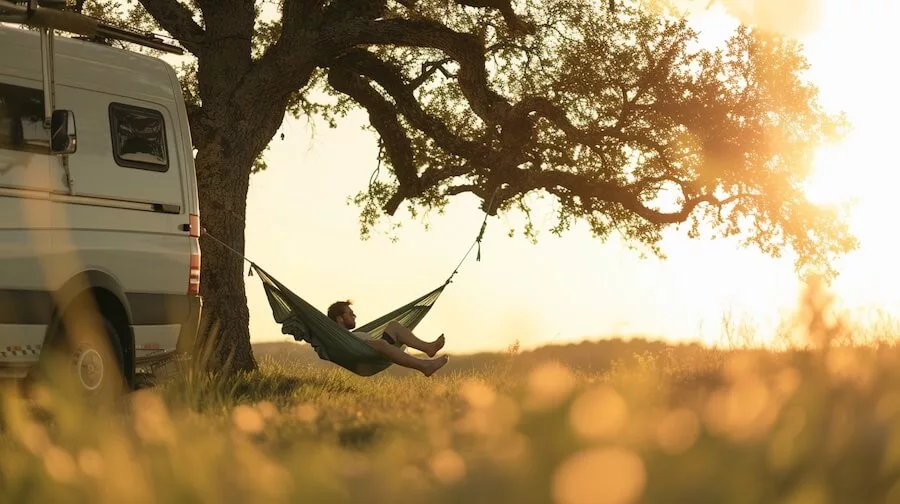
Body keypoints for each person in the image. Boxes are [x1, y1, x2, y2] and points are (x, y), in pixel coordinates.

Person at [327, 300, 449, 377]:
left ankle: (428, 348)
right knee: (380, 343)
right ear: (339, 319)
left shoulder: (353, 335)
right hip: (364, 354)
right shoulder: (338, 338)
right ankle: (424, 366)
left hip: (374, 350)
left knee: (394, 326)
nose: (354, 316)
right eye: (350, 314)